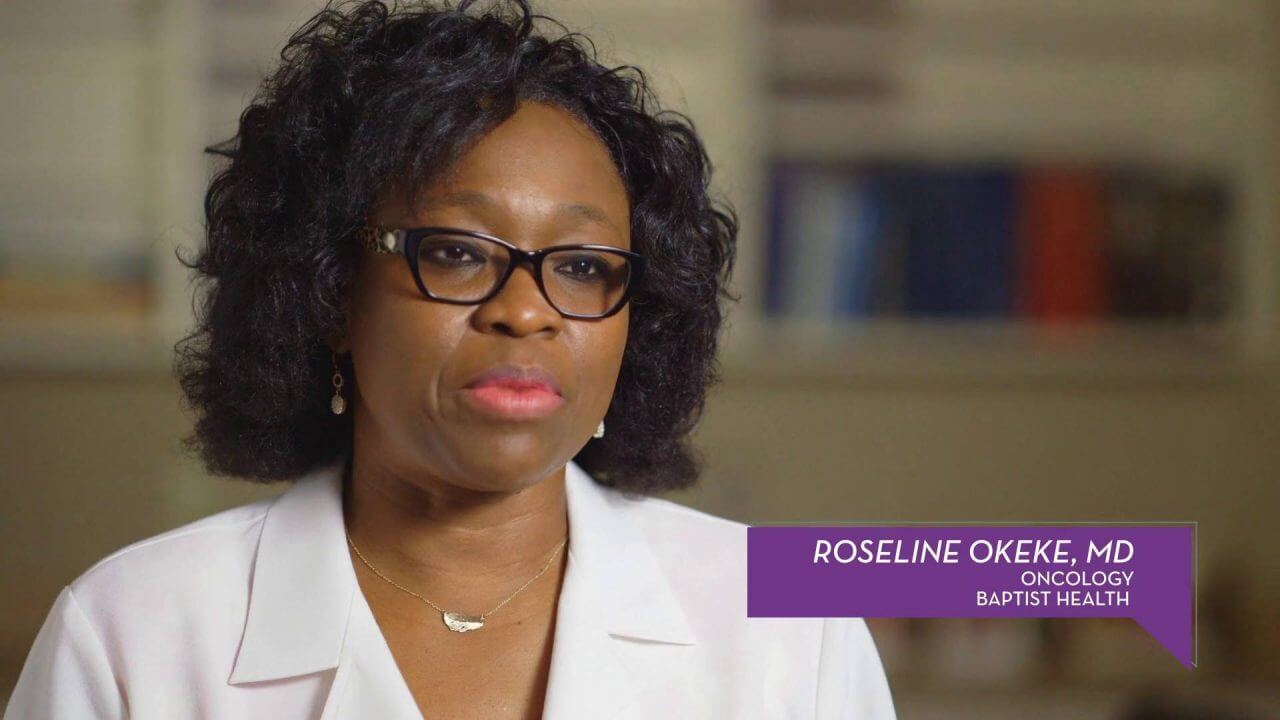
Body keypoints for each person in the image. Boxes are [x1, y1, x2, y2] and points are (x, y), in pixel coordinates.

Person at [3, 1, 896, 717]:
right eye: (458, 253)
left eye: (583, 267)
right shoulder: (131, 633)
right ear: (329, 291)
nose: (525, 312)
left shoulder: (792, 625)